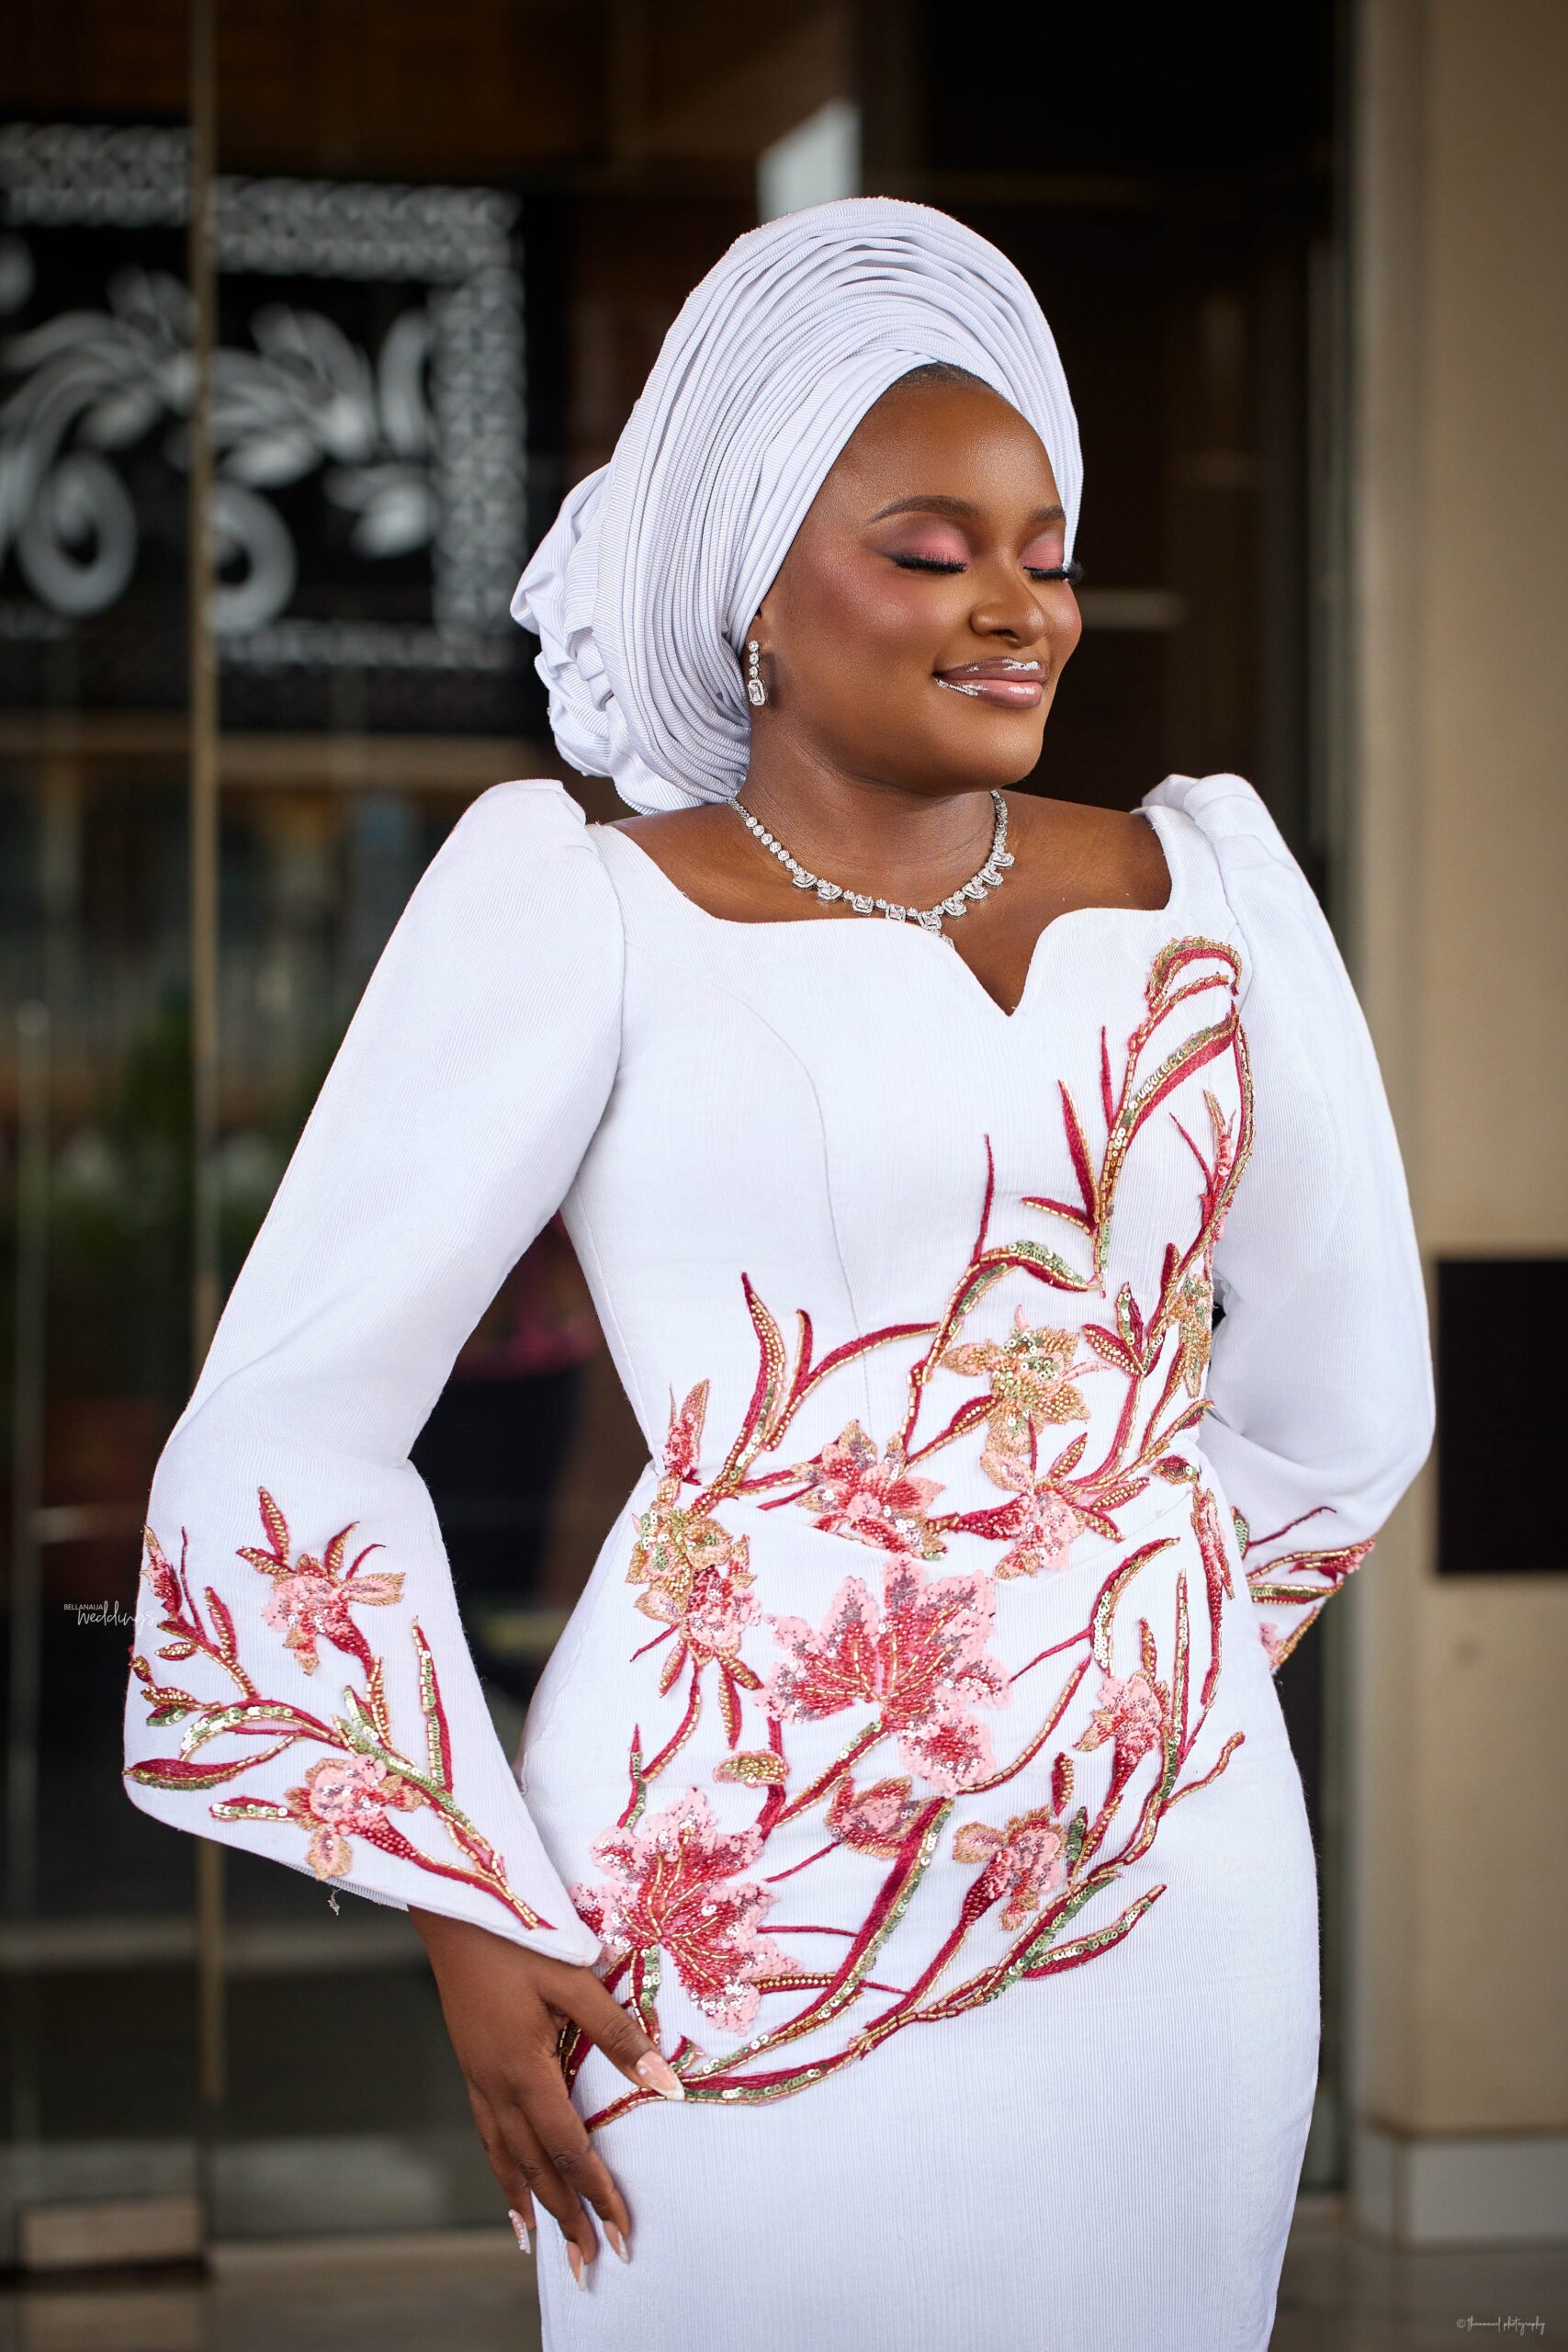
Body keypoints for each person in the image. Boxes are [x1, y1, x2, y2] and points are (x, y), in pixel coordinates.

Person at [123, 198, 1434, 2351]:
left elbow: (1342, 1386)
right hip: (708, 1900)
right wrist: (463, 1901)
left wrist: (1107, 1661)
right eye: (930, 550)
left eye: (1043, 552)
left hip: (1162, 1883)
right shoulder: (578, 908)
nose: (1014, 605)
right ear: (749, 586)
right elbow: (286, 1419)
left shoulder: (1204, 883)